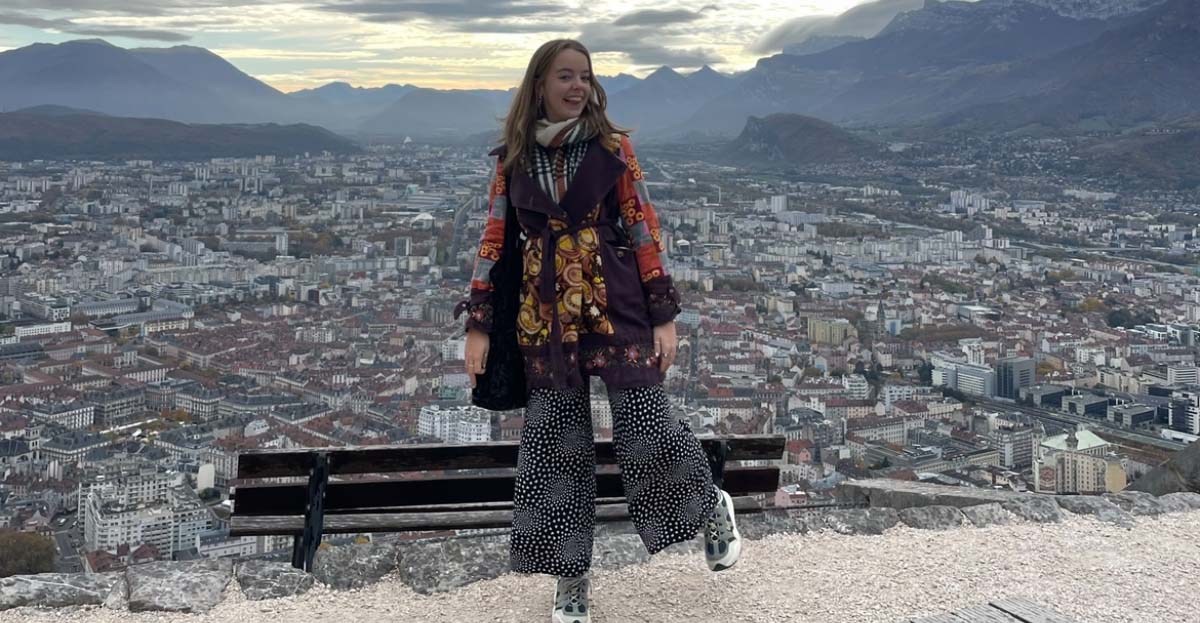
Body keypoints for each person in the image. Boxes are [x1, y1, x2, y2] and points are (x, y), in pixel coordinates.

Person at [458, 39, 741, 623]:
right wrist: (480, 326)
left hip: (616, 302)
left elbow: (642, 226)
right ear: (539, 84)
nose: (577, 87)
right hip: (544, 313)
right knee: (555, 446)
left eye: (584, 77)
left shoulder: (613, 149)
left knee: (646, 423)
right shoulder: (511, 158)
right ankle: (570, 579)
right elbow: (493, 242)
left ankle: (709, 505)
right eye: (565, 76)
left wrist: (663, 312)